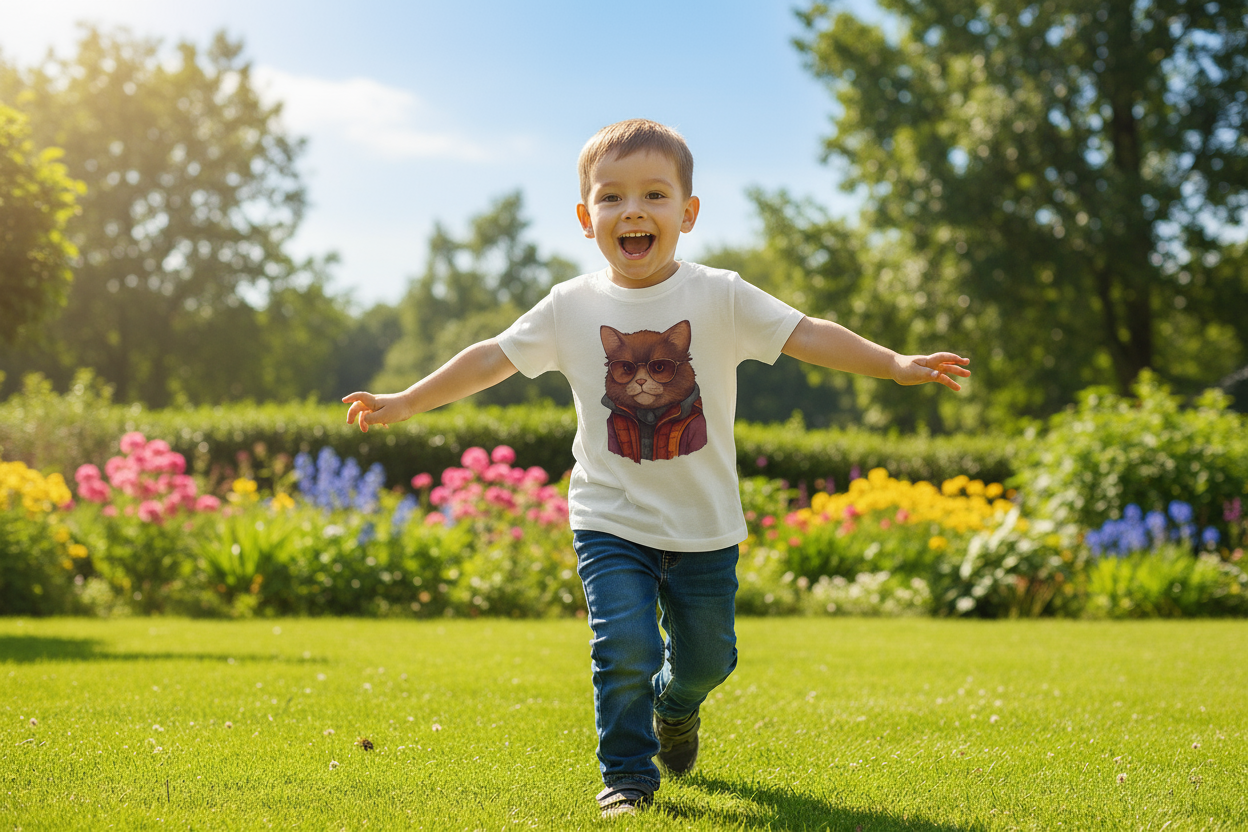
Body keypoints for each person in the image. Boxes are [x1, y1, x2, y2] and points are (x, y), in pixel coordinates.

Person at [343, 118, 970, 818]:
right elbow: (492, 356)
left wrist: (892, 363)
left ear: (687, 213)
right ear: (586, 218)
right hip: (610, 518)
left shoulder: (721, 295)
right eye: (611, 197)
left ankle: (676, 707)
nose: (632, 210)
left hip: (705, 525)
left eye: (654, 195)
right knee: (625, 648)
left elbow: (806, 333)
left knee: (709, 660)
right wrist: (406, 400)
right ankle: (628, 777)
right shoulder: (570, 306)